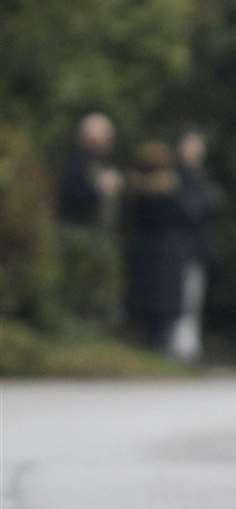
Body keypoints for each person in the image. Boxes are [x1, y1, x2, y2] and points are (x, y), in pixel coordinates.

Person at [56, 112, 125, 326]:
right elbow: (69, 197)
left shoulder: (102, 164)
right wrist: (98, 189)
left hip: (99, 235)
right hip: (77, 235)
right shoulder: (77, 163)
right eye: (105, 136)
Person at [123, 140, 187, 353]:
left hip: (144, 255)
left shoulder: (134, 191)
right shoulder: (174, 190)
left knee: (146, 315)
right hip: (167, 255)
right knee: (164, 316)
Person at [170, 129, 223, 364]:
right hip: (180, 248)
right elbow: (191, 209)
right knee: (182, 299)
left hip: (197, 249)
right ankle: (180, 348)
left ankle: (189, 347)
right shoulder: (178, 178)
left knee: (193, 299)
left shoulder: (199, 176)